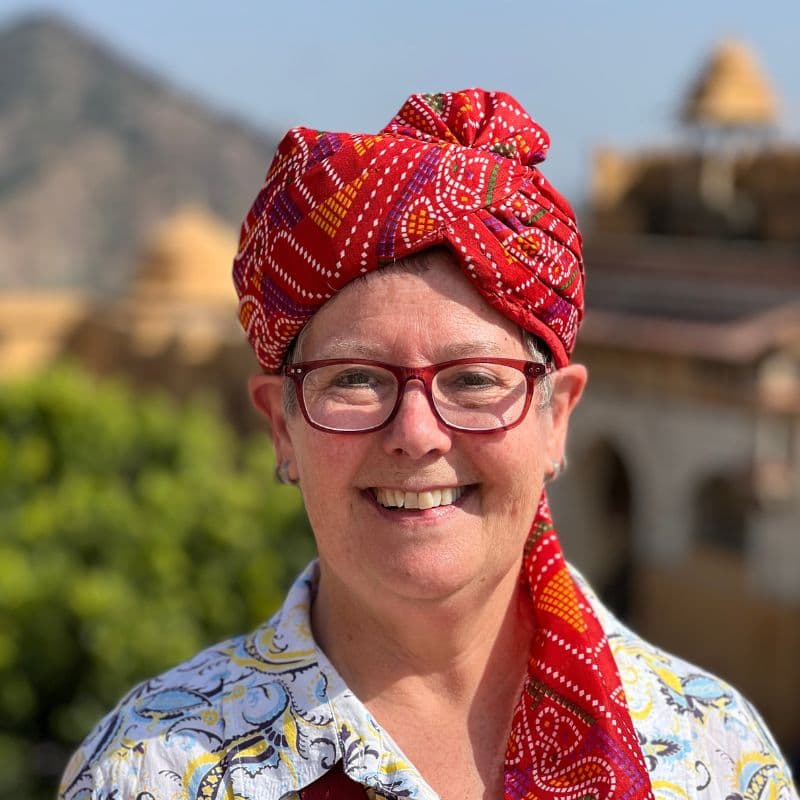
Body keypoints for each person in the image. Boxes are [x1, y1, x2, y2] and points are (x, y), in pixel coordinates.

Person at [59, 89, 798, 800]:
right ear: (282, 427)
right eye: (355, 378)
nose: (416, 433)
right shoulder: (151, 770)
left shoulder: (712, 752)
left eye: (475, 380)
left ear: (556, 419)